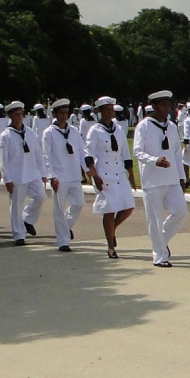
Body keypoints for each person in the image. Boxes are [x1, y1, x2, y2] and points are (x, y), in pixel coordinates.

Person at [133, 91, 188, 267]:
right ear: (154, 106)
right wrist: (154, 160)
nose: (166, 108)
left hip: (171, 177)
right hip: (152, 179)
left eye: (168, 105)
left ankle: (160, 240)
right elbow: (137, 151)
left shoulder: (172, 126)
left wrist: (182, 177)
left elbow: (177, 154)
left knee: (181, 212)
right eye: (163, 105)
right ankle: (160, 255)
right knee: (154, 218)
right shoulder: (144, 126)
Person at [86, 96, 137, 259]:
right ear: (100, 111)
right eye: (107, 110)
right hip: (104, 173)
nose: (110, 112)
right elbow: (88, 155)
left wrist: (131, 174)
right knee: (109, 210)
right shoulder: (95, 130)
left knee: (128, 207)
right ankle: (110, 247)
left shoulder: (118, 129)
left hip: (119, 172)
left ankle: (112, 230)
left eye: (111, 109)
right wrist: (95, 176)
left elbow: (125, 153)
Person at [0, 101, 46, 246]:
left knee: (40, 197)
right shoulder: (6, 135)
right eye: (16, 114)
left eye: (21, 114)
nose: (19, 117)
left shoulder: (30, 132)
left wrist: (43, 173)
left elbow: (38, 153)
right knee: (16, 206)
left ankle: (28, 219)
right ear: (10, 116)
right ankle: (19, 235)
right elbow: (3, 160)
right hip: (16, 175)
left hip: (32, 173)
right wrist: (7, 179)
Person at [42, 99, 88, 252]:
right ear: (54, 114)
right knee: (59, 208)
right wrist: (51, 176)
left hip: (74, 174)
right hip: (59, 176)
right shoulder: (49, 132)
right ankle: (63, 241)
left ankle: (66, 227)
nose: (64, 116)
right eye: (60, 113)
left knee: (79, 203)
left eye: (66, 113)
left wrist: (86, 170)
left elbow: (82, 152)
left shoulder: (74, 131)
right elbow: (46, 155)